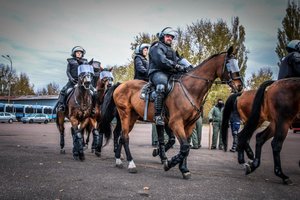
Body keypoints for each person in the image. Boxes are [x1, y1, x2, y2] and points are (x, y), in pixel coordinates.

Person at [148, 27, 193, 126]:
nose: (170, 39)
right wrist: (176, 66)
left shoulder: (171, 50)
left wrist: (190, 67)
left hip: (169, 73)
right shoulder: (156, 47)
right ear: (162, 36)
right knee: (161, 86)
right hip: (157, 72)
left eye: (172, 37)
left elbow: (178, 59)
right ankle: (158, 115)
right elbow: (161, 61)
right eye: (168, 36)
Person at [57, 46, 88, 111]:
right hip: (72, 81)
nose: (79, 54)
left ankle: (93, 107)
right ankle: (61, 105)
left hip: (83, 81)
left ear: (82, 54)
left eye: (80, 53)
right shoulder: (70, 61)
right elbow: (67, 72)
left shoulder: (85, 62)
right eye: (77, 52)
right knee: (63, 90)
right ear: (74, 53)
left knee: (93, 91)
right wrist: (71, 79)